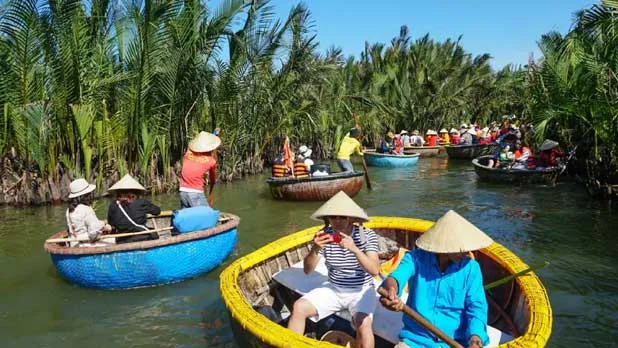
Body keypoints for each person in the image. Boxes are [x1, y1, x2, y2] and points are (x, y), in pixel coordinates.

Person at [379, 210, 493, 348]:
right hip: (416, 340)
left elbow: (477, 308)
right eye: (459, 248)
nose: (466, 252)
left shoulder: (471, 268)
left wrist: (475, 339)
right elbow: (395, 278)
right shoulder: (415, 258)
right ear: (444, 246)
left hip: (456, 342)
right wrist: (391, 290)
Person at [287, 191, 379, 348]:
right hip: (334, 288)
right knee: (299, 308)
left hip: (361, 289)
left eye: (342, 217)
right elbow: (307, 270)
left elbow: (374, 270)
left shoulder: (366, 235)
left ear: (350, 217)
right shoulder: (325, 236)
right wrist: (315, 248)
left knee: (363, 324)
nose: (337, 221)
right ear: (328, 219)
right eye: (333, 217)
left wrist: (355, 249)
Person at [107, 174, 161, 243]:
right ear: (136, 192)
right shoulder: (141, 203)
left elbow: (111, 224)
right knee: (153, 233)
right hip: (143, 237)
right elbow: (157, 211)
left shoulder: (113, 206)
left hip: (123, 240)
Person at [65, 178, 113, 247]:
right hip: (86, 244)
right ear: (85, 195)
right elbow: (93, 233)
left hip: (74, 243)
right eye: (89, 194)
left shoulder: (68, 210)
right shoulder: (85, 209)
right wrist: (104, 226)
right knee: (115, 240)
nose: (90, 195)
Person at [179, 131, 221, 208]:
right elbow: (213, 181)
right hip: (195, 194)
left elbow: (195, 145)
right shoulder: (211, 161)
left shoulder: (187, 154)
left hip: (182, 192)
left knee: (187, 217)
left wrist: (214, 134)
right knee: (206, 217)